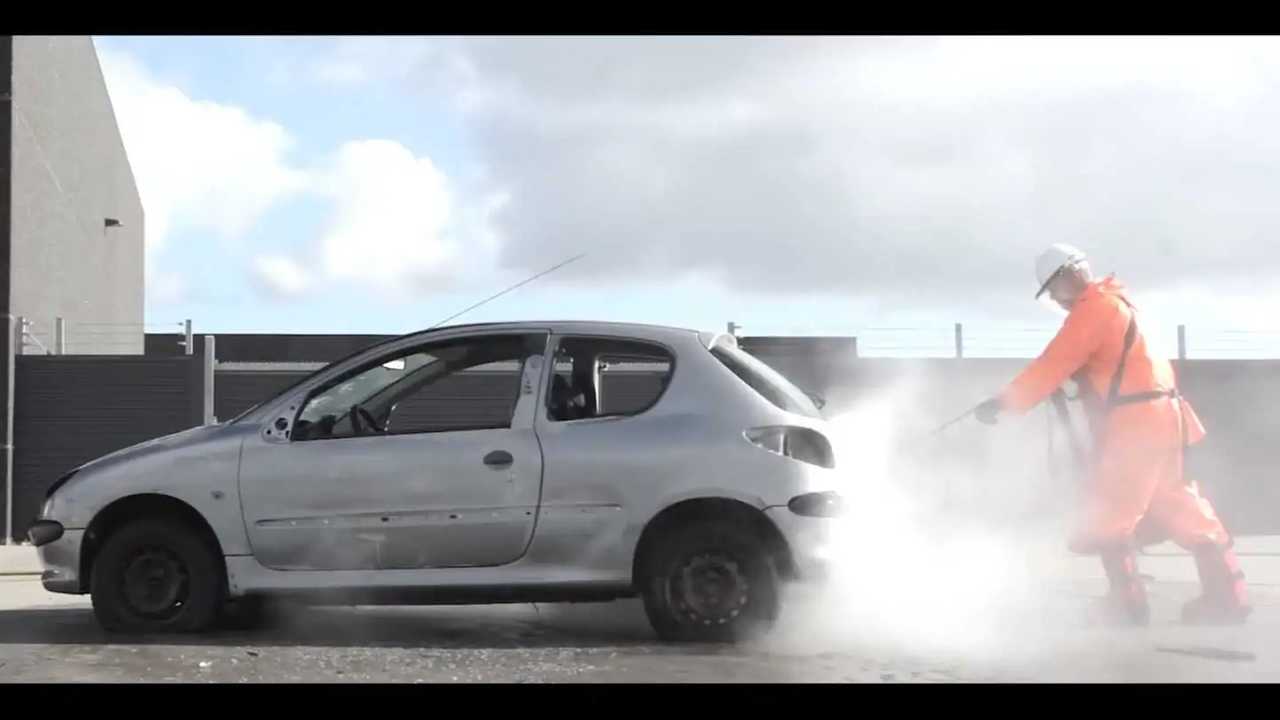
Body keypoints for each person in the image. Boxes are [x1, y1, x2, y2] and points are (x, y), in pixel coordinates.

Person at [974, 244, 1250, 626]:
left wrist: (1004, 402)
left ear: (1070, 276)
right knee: (1179, 504)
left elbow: (1053, 363)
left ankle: (1126, 606)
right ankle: (1227, 598)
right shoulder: (1121, 305)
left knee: (1110, 513)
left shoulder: (1093, 310)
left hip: (1135, 427)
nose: (1055, 299)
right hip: (1166, 421)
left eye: (1054, 290)